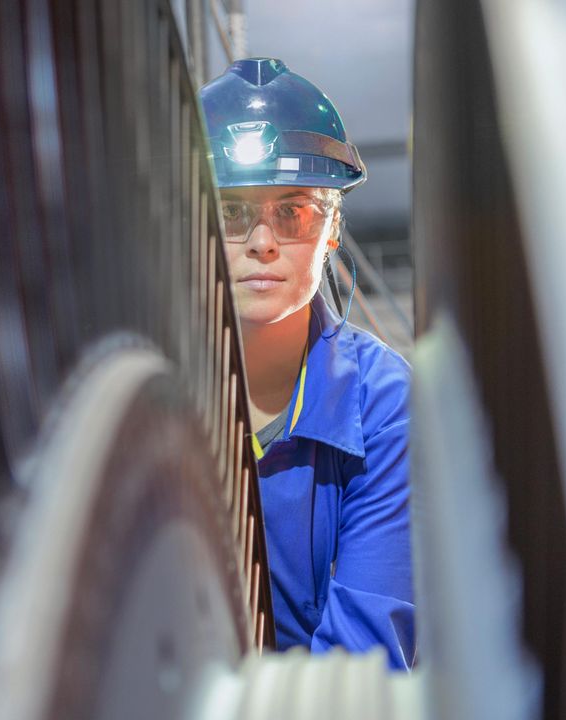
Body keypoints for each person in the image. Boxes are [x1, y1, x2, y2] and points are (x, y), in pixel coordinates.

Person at [200, 58, 415, 669]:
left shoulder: (384, 408)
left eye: (291, 212)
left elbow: (360, 668)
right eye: (233, 211)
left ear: (332, 230)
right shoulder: (148, 385)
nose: (261, 242)